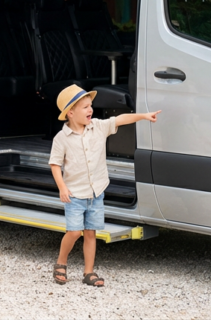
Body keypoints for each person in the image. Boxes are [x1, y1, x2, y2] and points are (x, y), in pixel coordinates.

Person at [49, 84, 160, 287]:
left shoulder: (98, 127)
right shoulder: (61, 138)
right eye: (85, 107)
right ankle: (61, 262)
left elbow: (120, 119)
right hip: (74, 194)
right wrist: (62, 188)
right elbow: (55, 164)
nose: (90, 110)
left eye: (91, 106)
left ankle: (88, 272)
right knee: (74, 232)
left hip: (96, 192)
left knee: (91, 233)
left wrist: (143, 116)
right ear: (70, 113)